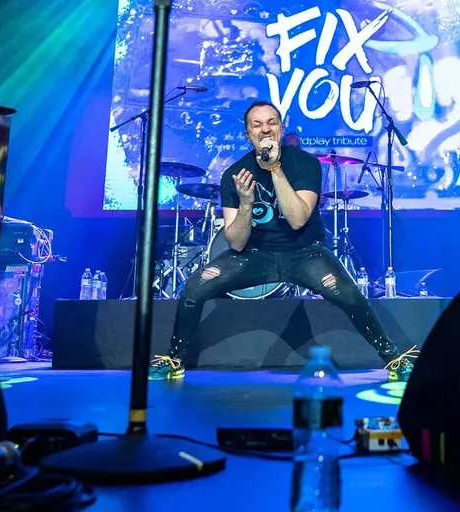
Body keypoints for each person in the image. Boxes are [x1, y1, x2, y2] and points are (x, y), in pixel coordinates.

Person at [149, 101, 418, 382]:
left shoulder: (305, 164)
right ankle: (174, 359)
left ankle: (392, 357)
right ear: (248, 134)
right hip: (255, 254)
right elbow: (236, 243)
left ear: (281, 127)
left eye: (272, 122)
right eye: (257, 125)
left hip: (305, 252)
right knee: (196, 286)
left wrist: (275, 168)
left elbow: (298, 219)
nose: (265, 129)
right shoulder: (234, 174)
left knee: (349, 295)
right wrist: (245, 203)